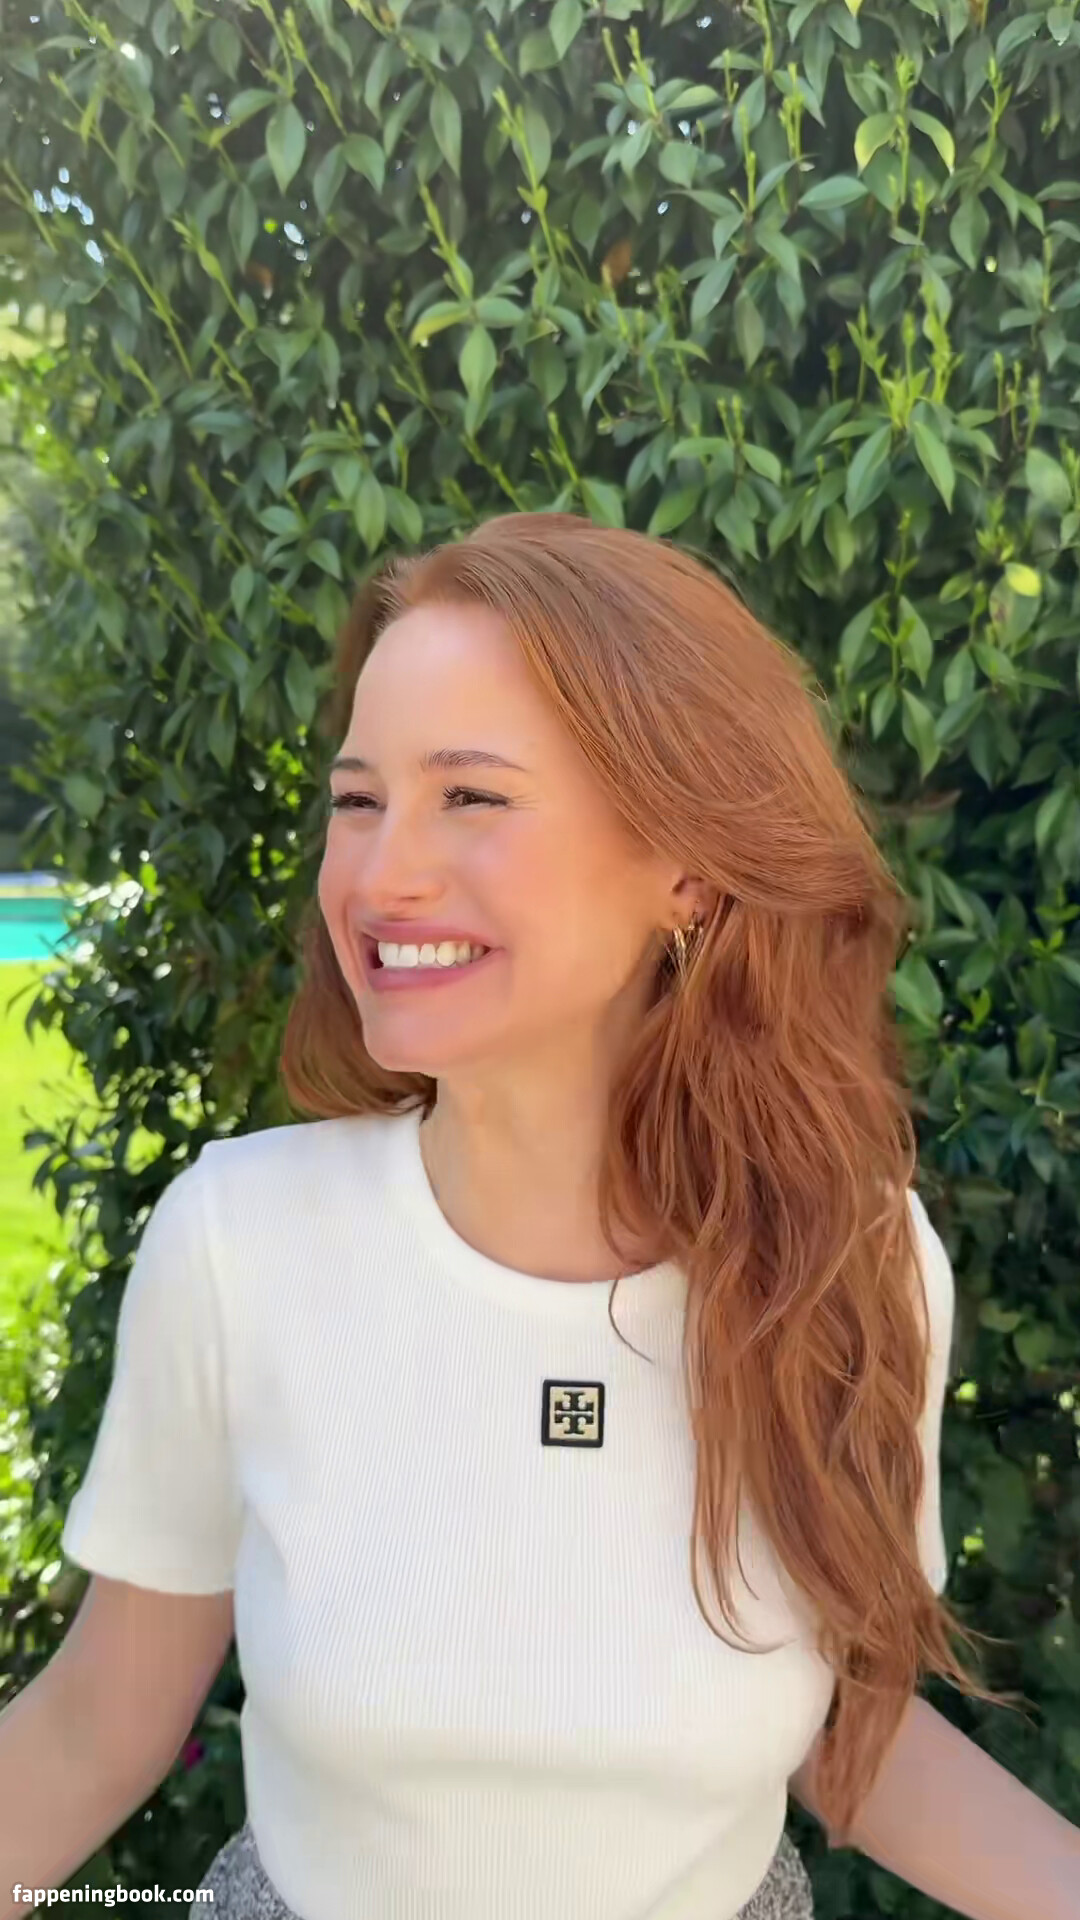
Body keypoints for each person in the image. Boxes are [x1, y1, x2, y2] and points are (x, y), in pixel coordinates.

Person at [3, 513, 1078, 1920]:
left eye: (471, 796)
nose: (380, 875)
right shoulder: (240, 1246)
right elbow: (97, 1727)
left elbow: (844, 1735)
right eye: (357, 800)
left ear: (685, 869)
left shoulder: (851, 1267)